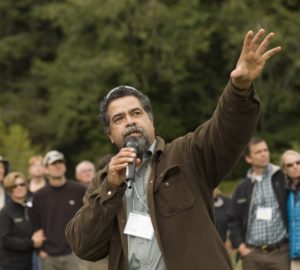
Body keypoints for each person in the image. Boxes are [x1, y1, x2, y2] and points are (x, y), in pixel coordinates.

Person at [65, 29, 281, 270]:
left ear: (151, 120)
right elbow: (83, 245)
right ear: (111, 136)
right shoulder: (105, 181)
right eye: (119, 118)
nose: (130, 121)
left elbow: (227, 130)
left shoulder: (186, 154)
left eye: (136, 113)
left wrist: (239, 88)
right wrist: (110, 188)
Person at [228, 137, 289, 270]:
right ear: (248, 159)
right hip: (252, 254)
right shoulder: (242, 188)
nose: (264, 154)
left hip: (280, 254)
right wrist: (240, 246)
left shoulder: (282, 178)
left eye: (265, 150)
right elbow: (233, 219)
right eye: (258, 152)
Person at [30, 150, 87, 270]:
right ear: (46, 169)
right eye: (53, 163)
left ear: (65, 167)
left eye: (60, 162)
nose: (57, 165)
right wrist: (40, 251)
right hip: (49, 257)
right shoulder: (39, 196)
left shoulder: (79, 190)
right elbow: (35, 225)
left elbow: (87, 220)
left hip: (74, 255)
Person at [0, 172, 45, 270]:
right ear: (9, 190)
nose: (19, 187)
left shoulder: (32, 208)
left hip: (31, 262)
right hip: (11, 264)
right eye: (14, 186)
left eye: (22, 184)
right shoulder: (5, 212)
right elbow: (5, 240)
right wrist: (31, 243)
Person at [281, 150, 300, 270]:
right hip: (294, 254)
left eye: (298, 162)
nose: (295, 167)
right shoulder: (284, 192)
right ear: (284, 170)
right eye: (289, 165)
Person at [213, 187, 232, 253]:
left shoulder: (227, 202)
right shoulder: (202, 204)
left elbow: (232, 221)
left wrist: (229, 239)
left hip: (225, 243)